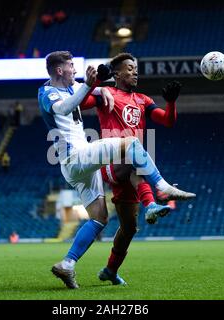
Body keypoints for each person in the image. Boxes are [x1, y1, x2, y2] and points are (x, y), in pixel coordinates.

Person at [38, 51, 195, 289]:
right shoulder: (47, 91)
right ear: (59, 70)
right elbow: (63, 109)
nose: (75, 70)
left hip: (83, 164)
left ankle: (67, 264)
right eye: (71, 66)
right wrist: (94, 87)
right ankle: (161, 188)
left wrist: (100, 87)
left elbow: (93, 90)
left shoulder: (76, 87)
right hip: (74, 157)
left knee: (100, 219)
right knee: (131, 143)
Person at [80, 52, 186, 285]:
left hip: (133, 167)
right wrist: (97, 83)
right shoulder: (106, 93)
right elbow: (81, 103)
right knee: (133, 159)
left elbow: (167, 121)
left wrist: (171, 102)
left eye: (135, 68)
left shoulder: (143, 100)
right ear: (116, 73)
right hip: (109, 163)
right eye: (129, 68)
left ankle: (110, 270)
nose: (134, 71)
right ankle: (151, 203)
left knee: (129, 228)